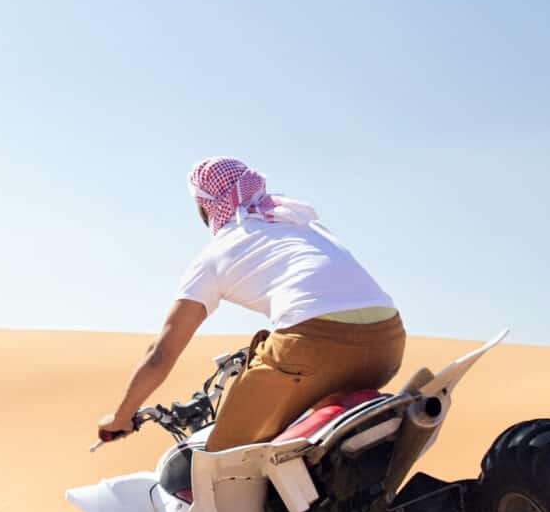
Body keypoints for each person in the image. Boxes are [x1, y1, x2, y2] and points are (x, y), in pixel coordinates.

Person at [97, 158, 406, 456]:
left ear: (204, 205)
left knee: (224, 456)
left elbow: (160, 355)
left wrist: (120, 416)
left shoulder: (216, 254)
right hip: (387, 345)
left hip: (313, 346)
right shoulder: (302, 223)